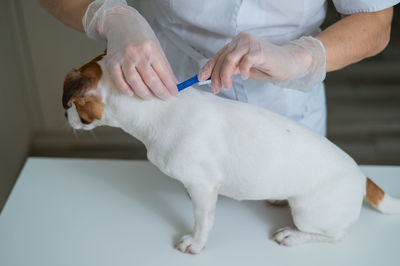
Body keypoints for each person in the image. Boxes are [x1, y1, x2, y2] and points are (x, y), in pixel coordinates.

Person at [39, 0, 397, 136]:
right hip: (173, 88)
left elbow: (376, 21)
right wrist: (112, 17)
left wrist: (301, 58)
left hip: (284, 105)